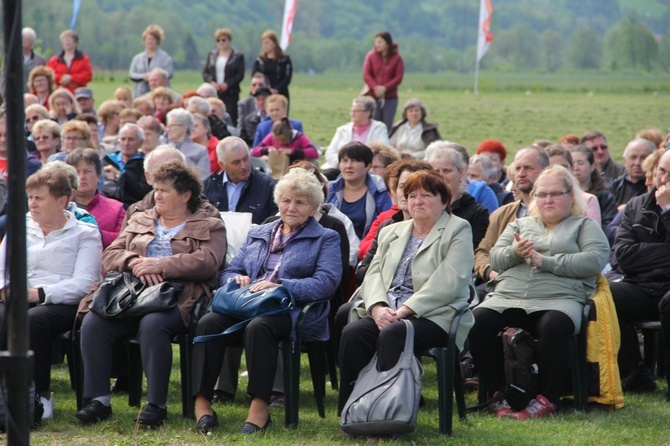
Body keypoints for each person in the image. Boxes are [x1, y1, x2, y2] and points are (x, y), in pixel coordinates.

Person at [191, 167, 341, 434]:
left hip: (289, 311)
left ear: (314, 206)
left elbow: (326, 283)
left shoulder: (326, 238)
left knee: (259, 328)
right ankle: (202, 403)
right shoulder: (259, 232)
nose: (291, 207)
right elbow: (230, 270)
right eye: (286, 200)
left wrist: (281, 285)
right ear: (277, 201)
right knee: (209, 322)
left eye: (300, 202)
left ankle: (259, 408)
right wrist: (236, 280)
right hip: (247, 304)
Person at [76, 161, 227, 426]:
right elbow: (110, 253)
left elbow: (208, 261)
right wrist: (135, 262)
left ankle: (156, 405)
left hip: (177, 296)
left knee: (152, 324)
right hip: (130, 293)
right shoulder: (140, 218)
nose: (156, 195)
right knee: (94, 321)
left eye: (164, 190)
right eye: (155, 189)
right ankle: (98, 400)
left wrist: (162, 265)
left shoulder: (209, 224)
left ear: (186, 195)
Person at [469, 165, 609, 419]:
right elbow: (495, 259)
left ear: (571, 196)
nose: (548, 200)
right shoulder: (520, 224)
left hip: (559, 299)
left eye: (555, 193)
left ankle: (546, 398)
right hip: (510, 296)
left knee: (555, 325)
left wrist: (546, 262)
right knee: (477, 322)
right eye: (542, 194)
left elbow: (594, 260)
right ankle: (502, 391)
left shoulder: (584, 225)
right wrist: (516, 252)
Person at [338, 170, 474, 427]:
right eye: (411, 196)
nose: (418, 201)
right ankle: (352, 412)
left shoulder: (458, 228)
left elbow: (449, 280)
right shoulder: (393, 230)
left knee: (394, 334)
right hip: (387, 310)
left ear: (444, 201)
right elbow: (373, 273)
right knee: (353, 332)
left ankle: (389, 416)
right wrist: (378, 308)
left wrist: (403, 312)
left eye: (426, 195)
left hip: (434, 314)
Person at [0, 168, 102, 421]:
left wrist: (40, 293)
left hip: (62, 302)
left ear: (61, 201)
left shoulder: (85, 234)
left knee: (34, 320)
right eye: (30, 197)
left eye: (39, 198)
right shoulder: (19, 228)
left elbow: (85, 282)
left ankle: (39, 396)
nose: (32, 204)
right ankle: (4, 396)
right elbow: (1, 268)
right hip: (17, 296)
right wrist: (6, 289)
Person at [608, 149, 670, 395]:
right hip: (641, 286)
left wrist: (667, 212)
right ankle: (634, 373)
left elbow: (634, 254)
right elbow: (623, 256)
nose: (664, 180)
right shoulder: (636, 206)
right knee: (604, 296)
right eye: (661, 171)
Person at [474, 147, 549, 287]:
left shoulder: (557, 214)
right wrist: (491, 273)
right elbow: (482, 253)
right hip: (501, 284)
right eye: (517, 168)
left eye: (528, 168)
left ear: (545, 171)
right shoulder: (501, 215)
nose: (521, 173)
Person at [426, 145, 489, 249]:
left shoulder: (477, 213)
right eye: (436, 172)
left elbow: (471, 250)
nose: (441, 176)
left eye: (446, 171)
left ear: (461, 172)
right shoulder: (423, 207)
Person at [203, 136, 278, 224]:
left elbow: (275, 223)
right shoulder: (207, 187)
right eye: (236, 162)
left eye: (246, 159)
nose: (243, 166)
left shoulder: (268, 186)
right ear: (222, 165)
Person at [326, 142, 393, 240]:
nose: (348, 166)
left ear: (368, 166)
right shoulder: (329, 190)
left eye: (354, 161)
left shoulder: (380, 192)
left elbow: (387, 225)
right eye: (344, 161)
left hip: (366, 250)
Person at [66, 148, 125, 248]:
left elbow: (124, 239)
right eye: (76, 172)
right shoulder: (58, 206)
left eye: (87, 171)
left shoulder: (116, 208)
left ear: (98, 176)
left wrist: (93, 233)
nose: (81, 176)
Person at [323, 96, 390, 172]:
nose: (352, 114)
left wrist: (364, 165)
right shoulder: (342, 130)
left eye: (356, 111)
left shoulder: (379, 128)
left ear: (368, 113)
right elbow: (330, 152)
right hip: (341, 169)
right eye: (351, 111)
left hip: (368, 170)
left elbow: (383, 150)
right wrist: (341, 165)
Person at [202, 28, 245, 126]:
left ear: (229, 41)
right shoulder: (211, 55)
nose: (221, 42)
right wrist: (211, 82)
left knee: (230, 114)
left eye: (223, 40)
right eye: (218, 40)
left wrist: (228, 84)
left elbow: (240, 74)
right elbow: (205, 72)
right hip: (215, 91)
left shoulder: (237, 56)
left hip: (231, 92)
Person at [362, 31, 404, 131]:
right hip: (373, 96)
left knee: (387, 126)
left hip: (390, 97)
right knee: (373, 124)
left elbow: (398, 77)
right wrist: (376, 88)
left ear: (387, 43)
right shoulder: (371, 56)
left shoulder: (397, 59)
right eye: (376, 42)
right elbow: (366, 74)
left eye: (380, 42)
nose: (377, 45)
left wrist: (385, 88)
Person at [569, 145, 618, 230]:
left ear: (592, 166)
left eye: (580, 163)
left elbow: (609, 225)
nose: (576, 168)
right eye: (572, 164)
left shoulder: (604, 196)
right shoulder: (564, 194)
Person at [129, 25, 174, 98]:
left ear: (157, 40)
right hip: (140, 93)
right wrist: (144, 76)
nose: (150, 41)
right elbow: (132, 74)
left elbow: (169, 73)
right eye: (148, 39)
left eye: (153, 39)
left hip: (160, 94)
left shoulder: (166, 57)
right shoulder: (137, 58)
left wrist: (155, 77)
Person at [252, 117, 318, 167]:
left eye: (283, 140)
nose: (280, 143)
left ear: (290, 134)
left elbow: (314, 153)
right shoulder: (271, 136)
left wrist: (293, 151)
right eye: (277, 140)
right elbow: (255, 151)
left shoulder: (300, 137)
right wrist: (267, 149)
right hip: (276, 169)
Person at [165, 108, 210, 179]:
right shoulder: (162, 149)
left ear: (184, 128)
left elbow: (204, 179)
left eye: (171, 126)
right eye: (167, 126)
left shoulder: (200, 151)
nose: (167, 130)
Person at [610, 138, 655, 209]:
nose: (637, 163)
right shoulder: (615, 186)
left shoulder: (655, 188)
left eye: (643, 158)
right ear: (625, 161)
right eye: (633, 157)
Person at [1, 27, 46, 94]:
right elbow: (5, 75)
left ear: (32, 42)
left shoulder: (40, 60)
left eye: (28, 39)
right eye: (22, 38)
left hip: (31, 94)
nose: (23, 41)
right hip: (13, 94)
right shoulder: (10, 57)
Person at [46, 30, 92, 94]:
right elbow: (49, 74)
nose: (66, 43)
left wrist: (72, 78)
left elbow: (87, 76)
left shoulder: (83, 58)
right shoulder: (54, 60)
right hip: (59, 93)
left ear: (75, 43)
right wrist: (62, 78)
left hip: (78, 94)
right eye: (65, 40)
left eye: (69, 40)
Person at [251, 30, 292, 101]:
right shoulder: (259, 60)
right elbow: (255, 75)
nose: (265, 45)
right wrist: (265, 88)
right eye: (263, 43)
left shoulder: (284, 60)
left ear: (275, 43)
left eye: (267, 42)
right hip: (262, 93)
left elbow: (287, 77)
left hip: (280, 92)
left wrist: (276, 89)